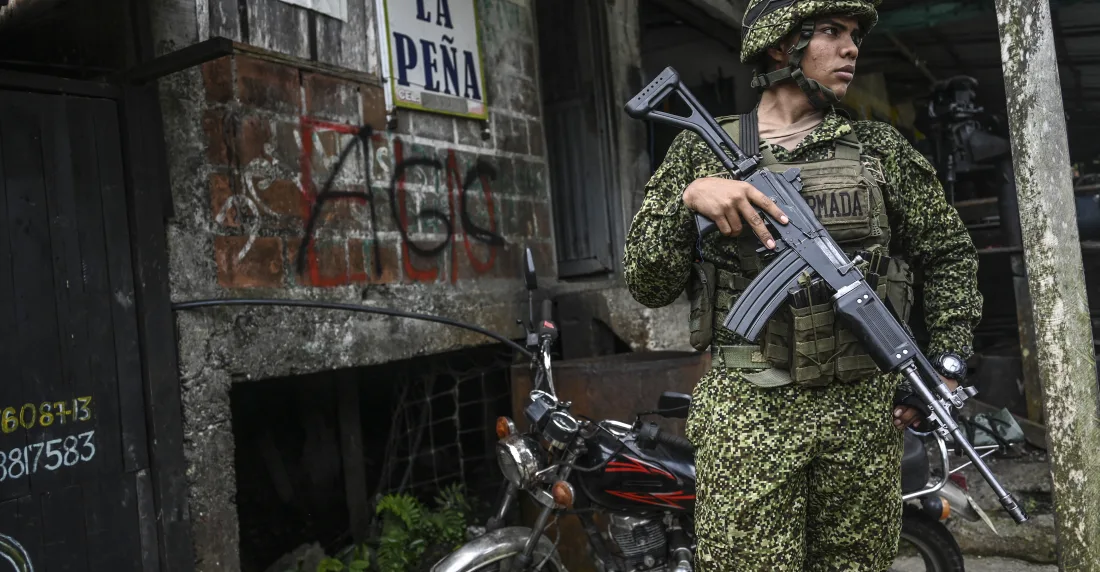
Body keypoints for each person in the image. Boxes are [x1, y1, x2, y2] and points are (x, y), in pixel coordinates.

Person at [623, 0, 982, 570]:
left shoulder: (881, 152)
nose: (851, 49)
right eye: (832, 33)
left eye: (855, 36)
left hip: (864, 417)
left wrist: (946, 365)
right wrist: (690, 199)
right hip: (750, 415)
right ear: (780, 45)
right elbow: (647, 282)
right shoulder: (700, 149)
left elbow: (949, 254)